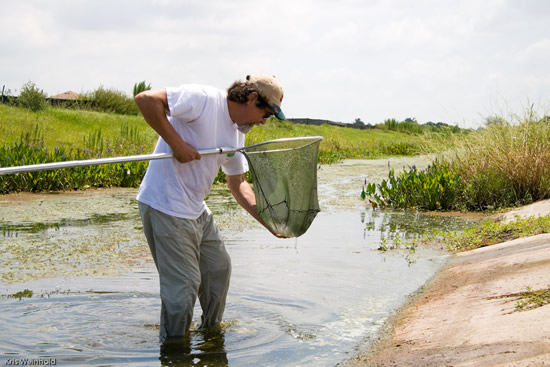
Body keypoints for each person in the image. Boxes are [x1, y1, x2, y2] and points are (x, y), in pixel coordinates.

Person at [135, 74, 287, 341]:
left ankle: (210, 336)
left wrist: (270, 221)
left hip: (195, 208)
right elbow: (146, 100)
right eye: (267, 113)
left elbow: (238, 184)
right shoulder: (204, 99)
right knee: (183, 288)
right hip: (165, 204)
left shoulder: (236, 132)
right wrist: (177, 144)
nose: (264, 121)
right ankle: (174, 348)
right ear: (252, 98)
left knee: (218, 269)